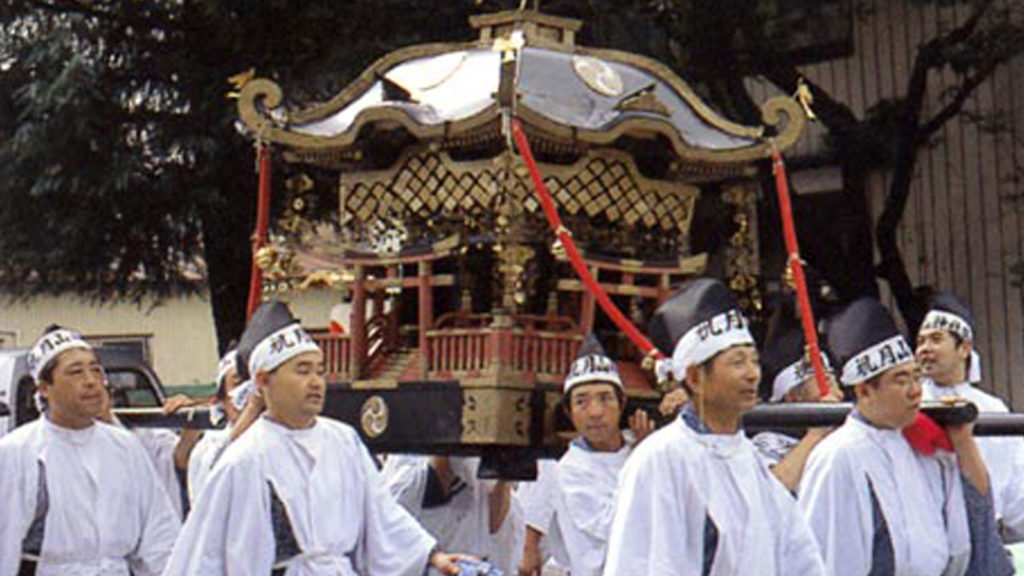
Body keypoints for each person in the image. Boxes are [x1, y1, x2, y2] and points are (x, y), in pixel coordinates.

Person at [162, 300, 467, 575]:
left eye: (319, 371)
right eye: (302, 370)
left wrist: (430, 556)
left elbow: (381, 515)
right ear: (263, 380)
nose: (315, 382)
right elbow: (205, 553)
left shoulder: (343, 441)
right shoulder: (243, 460)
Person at [603, 278, 827, 576]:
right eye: (737, 363)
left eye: (754, 361)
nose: (752, 374)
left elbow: (798, 555)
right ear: (695, 377)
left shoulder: (748, 458)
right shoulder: (661, 459)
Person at [799, 297, 1012, 576]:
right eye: (901, 381)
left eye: (915, 377)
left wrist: (963, 442)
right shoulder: (837, 458)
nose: (915, 391)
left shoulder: (925, 445)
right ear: (864, 391)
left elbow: (974, 532)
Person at [0, 326, 181, 576]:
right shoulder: (17, 452)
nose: (91, 381)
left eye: (96, 370)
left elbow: (159, 536)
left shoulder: (125, 447)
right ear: (44, 388)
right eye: (76, 372)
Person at [917, 292, 1024, 541]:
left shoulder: (993, 409)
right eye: (920, 341)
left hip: (983, 535)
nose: (924, 349)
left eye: (935, 339)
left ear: (964, 347)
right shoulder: (908, 404)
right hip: (929, 533)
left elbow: (1016, 485)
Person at [550, 335, 652, 576]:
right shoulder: (570, 470)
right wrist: (644, 461)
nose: (595, 412)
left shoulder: (643, 448)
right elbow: (615, 527)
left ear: (622, 402)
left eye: (605, 398)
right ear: (569, 411)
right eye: (582, 402)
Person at [383, 455, 515, 574]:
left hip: (468, 558)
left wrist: (505, 472)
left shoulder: (480, 465)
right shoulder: (410, 472)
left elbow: (493, 524)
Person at [751, 326, 840, 492]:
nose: (837, 392)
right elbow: (771, 492)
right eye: (825, 381)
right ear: (792, 396)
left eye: (833, 380)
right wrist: (815, 436)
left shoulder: (845, 432)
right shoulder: (767, 442)